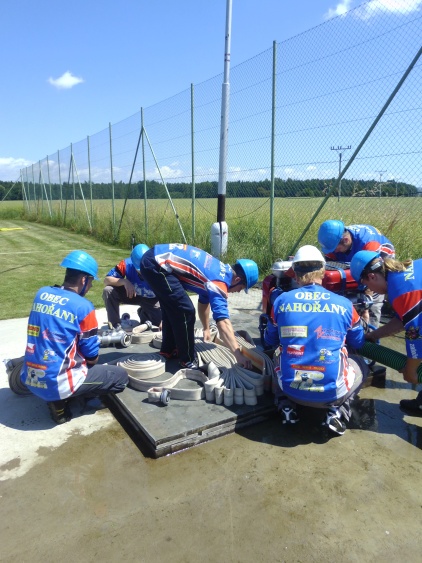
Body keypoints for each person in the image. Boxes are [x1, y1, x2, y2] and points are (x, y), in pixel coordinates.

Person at [264, 245, 368, 436]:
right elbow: (358, 342)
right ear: (323, 271)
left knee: (277, 356)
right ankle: (338, 412)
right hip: (332, 394)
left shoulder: (281, 301)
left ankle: (286, 406)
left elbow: (270, 339)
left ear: (295, 274)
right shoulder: (345, 304)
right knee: (360, 364)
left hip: (291, 391)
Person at [20, 250, 128, 424]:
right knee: (120, 377)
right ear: (83, 280)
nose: (91, 286)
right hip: (57, 383)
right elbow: (91, 357)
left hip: (30, 376)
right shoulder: (83, 307)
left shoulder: (41, 293)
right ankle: (63, 403)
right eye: (91, 281)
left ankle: (59, 395)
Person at [140, 243, 259, 369]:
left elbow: (203, 303)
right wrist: (238, 355)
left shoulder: (219, 270)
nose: (239, 291)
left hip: (154, 259)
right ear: (237, 280)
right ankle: (187, 360)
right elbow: (223, 322)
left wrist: (206, 328)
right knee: (186, 310)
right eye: (242, 288)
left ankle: (168, 350)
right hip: (157, 265)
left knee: (172, 307)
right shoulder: (218, 283)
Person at [350, 250, 422, 416]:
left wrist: (411, 370)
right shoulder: (403, 273)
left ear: (372, 276)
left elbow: (415, 335)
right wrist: (374, 335)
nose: (369, 289)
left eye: (366, 285)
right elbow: (403, 320)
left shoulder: (403, 291)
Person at [317, 220, 396, 328]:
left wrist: (366, 307)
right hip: (356, 261)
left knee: (371, 304)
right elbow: (330, 266)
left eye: (336, 249)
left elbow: (371, 276)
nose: (334, 252)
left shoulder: (369, 244)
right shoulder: (333, 242)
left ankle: (371, 333)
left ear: (346, 240)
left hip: (378, 263)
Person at [103, 244, 162, 328]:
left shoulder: (158, 267)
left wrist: (164, 319)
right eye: (140, 269)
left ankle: (143, 313)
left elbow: (168, 293)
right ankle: (114, 325)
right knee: (108, 290)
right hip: (132, 294)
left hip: (152, 299)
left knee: (160, 323)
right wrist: (124, 281)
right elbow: (106, 280)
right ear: (134, 264)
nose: (143, 271)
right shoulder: (126, 264)